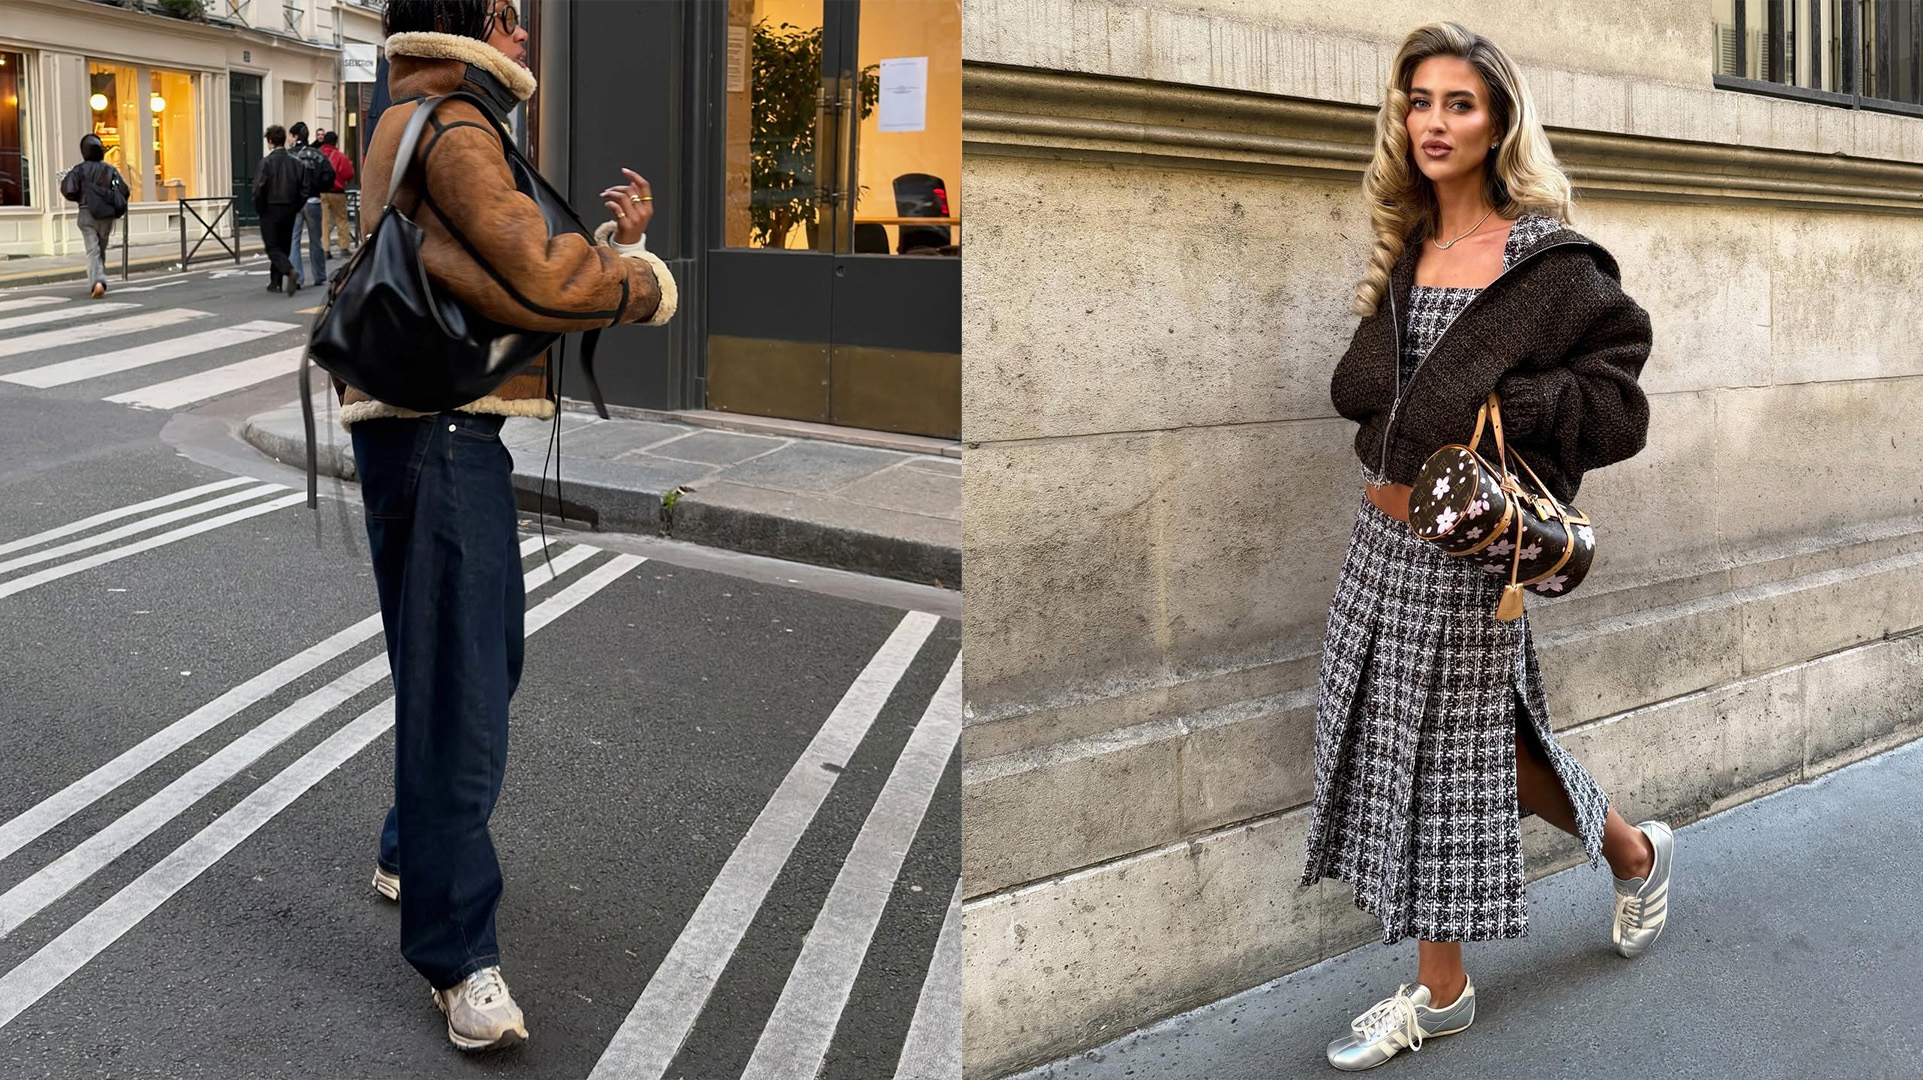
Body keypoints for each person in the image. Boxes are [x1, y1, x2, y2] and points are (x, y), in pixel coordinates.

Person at [1303, 22, 1661, 1071]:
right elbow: (1364, 394)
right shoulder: (1412, 252)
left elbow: (1622, 402)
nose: (1434, 122)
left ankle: (1441, 990)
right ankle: (1636, 851)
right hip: (1380, 537)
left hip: (1471, 551)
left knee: (1439, 755)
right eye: (1419, 101)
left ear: (1499, 118)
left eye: (1459, 102)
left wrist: (1522, 398)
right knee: (1469, 750)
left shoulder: (1547, 261)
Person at [345, 0, 676, 1052]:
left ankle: (411, 846)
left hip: (421, 432)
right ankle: (457, 958)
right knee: (466, 694)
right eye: (506, 15)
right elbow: (535, 276)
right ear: (461, 18)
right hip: (440, 435)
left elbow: (485, 265)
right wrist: (640, 278)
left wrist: (604, 247)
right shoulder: (460, 126)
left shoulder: (406, 114)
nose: (525, 34)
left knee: (468, 664)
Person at [59, 134, 129, 300]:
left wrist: (82, 196)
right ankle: (99, 278)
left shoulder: (79, 170)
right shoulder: (110, 169)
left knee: (92, 249)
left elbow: (69, 190)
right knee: (100, 248)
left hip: (86, 212)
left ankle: (97, 281)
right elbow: (124, 190)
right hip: (106, 214)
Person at [251, 125, 305, 296]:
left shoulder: (266, 163)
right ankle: (275, 282)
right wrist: (296, 206)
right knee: (283, 246)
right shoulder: (296, 163)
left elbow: (258, 189)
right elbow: (304, 188)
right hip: (290, 208)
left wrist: (260, 209)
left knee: (272, 247)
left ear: (271, 142)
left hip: (270, 208)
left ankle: (289, 271)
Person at [286, 121, 333, 287]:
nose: (289, 139)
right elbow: (329, 176)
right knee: (316, 240)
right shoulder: (317, 154)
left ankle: (297, 278)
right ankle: (319, 276)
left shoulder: (288, 155)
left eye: (290, 136)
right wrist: (319, 186)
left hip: (294, 202)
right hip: (313, 200)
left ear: (296, 136)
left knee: (293, 240)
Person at [317, 130, 356, 257]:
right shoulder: (340, 156)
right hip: (338, 192)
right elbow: (348, 174)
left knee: (325, 221)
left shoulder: (318, 155)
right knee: (341, 219)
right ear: (335, 142)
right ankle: (344, 247)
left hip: (322, 192)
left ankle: (325, 249)